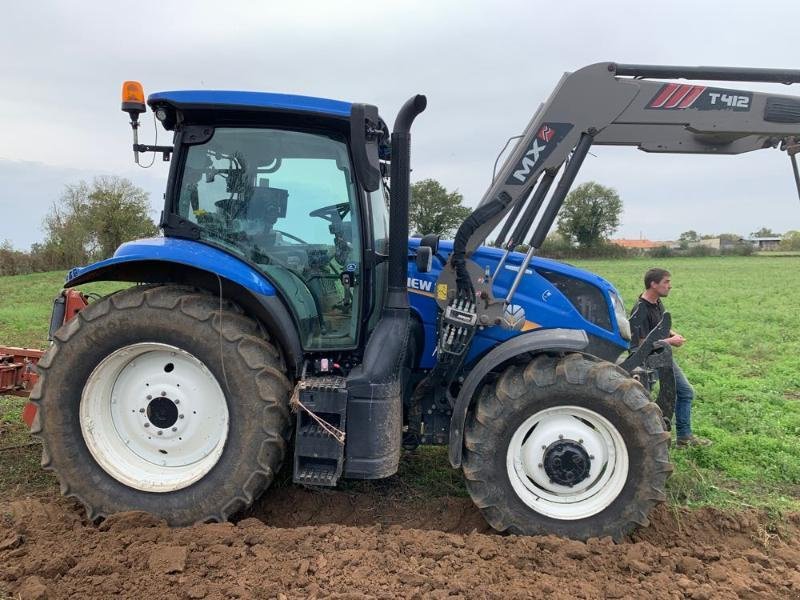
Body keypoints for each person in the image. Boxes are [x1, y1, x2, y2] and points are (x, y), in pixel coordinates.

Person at [630, 268, 711, 448]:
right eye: (666, 282)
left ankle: (684, 436)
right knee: (642, 403)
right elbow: (643, 343)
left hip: (662, 356)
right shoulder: (641, 309)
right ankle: (642, 441)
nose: (670, 286)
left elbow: (659, 327)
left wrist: (672, 333)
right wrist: (670, 341)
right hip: (647, 361)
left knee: (685, 392)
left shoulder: (657, 302)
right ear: (653, 284)